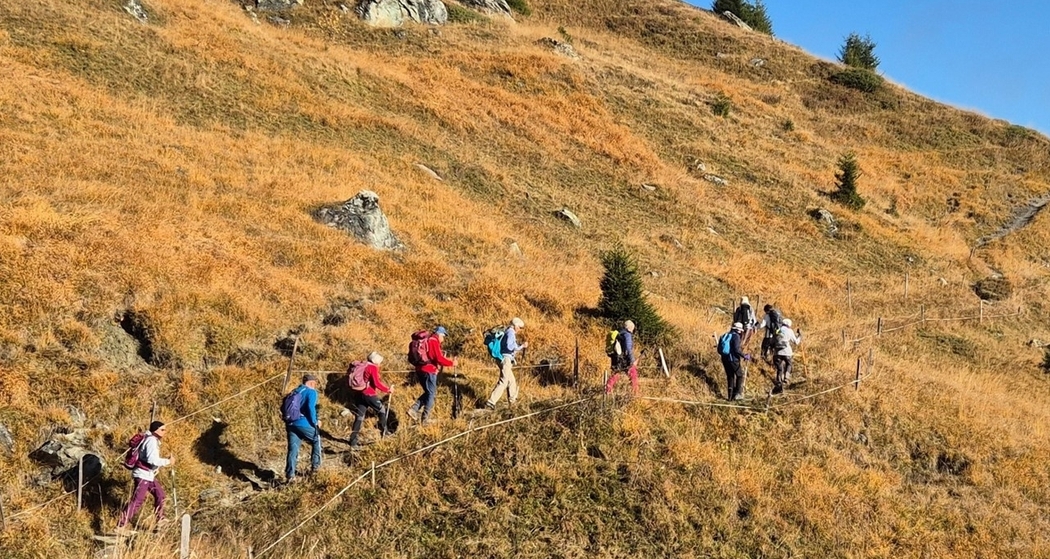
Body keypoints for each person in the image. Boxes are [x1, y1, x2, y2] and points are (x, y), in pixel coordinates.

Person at [118, 421, 174, 531]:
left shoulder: (152, 440)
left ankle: (161, 519)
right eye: (162, 429)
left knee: (160, 494)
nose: (165, 432)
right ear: (156, 430)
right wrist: (168, 462)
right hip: (142, 474)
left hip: (148, 475)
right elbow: (151, 459)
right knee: (137, 500)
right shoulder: (151, 440)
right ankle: (121, 525)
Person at [407, 326, 456, 425]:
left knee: (429, 392)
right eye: (444, 336)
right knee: (431, 394)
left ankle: (414, 409)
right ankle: (425, 418)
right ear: (440, 334)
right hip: (428, 370)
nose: (443, 339)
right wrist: (452, 363)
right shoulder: (433, 341)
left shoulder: (426, 340)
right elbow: (438, 358)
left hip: (419, 369)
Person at [349, 352, 392, 449]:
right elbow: (376, 383)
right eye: (380, 362)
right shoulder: (373, 367)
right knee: (381, 410)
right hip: (369, 394)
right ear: (376, 361)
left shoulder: (363, 364)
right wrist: (388, 390)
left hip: (360, 394)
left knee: (359, 417)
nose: (380, 364)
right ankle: (385, 431)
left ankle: (353, 440)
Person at [284, 374, 322, 484]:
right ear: (311, 383)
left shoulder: (296, 390)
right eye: (315, 383)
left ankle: (290, 475)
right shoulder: (311, 392)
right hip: (303, 423)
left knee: (293, 448)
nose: (315, 385)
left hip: (291, 423)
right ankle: (316, 469)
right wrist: (315, 421)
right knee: (316, 440)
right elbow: (310, 408)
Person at [485, 317, 528, 409]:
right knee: (504, 381)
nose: (520, 329)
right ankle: (491, 402)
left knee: (511, 381)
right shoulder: (511, 332)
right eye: (520, 327)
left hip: (503, 358)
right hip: (505, 359)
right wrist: (521, 346)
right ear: (515, 326)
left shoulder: (507, 332)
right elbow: (509, 346)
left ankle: (512, 402)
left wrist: (519, 347)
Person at [605, 320, 639, 395]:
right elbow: (628, 349)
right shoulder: (627, 335)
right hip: (624, 359)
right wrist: (632, 361)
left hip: (616, 357)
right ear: (630, 328)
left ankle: (607, 390)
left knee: (615, 374)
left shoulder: (619, 333)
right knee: (633, 374)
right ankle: (635, 393)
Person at [718, 322, 750, 401]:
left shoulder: (725, 335)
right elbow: (737, 350)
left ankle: (730, 397)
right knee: (740, 375)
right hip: (733, 359)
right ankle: (737, 394)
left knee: (730, 377)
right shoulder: (736, 336)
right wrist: (744, 356)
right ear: (739, 330)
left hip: (724, 359)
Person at [772, 319, 802, 394]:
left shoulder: (777, 330)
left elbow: (772, 340)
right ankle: (786, 377)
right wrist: (800, 336)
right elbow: (796, 342)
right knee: (789, 364)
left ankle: (779, 382)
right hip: (787, 352)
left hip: (777, 352)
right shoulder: (790, 331)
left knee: (779, 368)